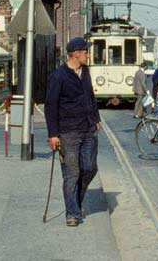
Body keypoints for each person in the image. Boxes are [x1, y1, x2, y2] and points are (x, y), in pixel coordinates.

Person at [44, 37, 101, 227]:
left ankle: (75, 201)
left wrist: (96, 118)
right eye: (86, 52)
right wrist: (53, 134)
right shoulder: (58, 76)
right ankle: (73, 213)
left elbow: (90, 96)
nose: (88, 55)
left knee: (90, 168)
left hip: (88, 128)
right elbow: (50, 106)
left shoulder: (85, 72)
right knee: (72, 173)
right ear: (76, 54)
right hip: (68, 131)